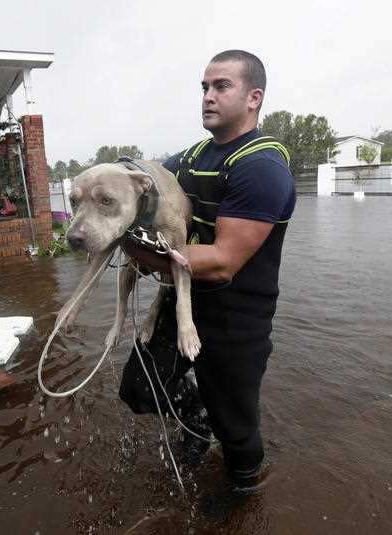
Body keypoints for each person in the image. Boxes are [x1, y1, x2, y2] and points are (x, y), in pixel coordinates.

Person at [119, 50, 296, 493]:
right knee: (140, 387)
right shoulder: (195, 154)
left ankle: (244, 491)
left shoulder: (261, 166)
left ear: (254, 97)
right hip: (179, 303)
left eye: (222, 86)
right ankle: (197, 420)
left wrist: (141, 255)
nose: (208, 97)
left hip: (236, 318)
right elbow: (146, 176)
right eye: (204, 87)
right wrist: (113, 186)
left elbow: (220, 264)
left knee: (236, 429)